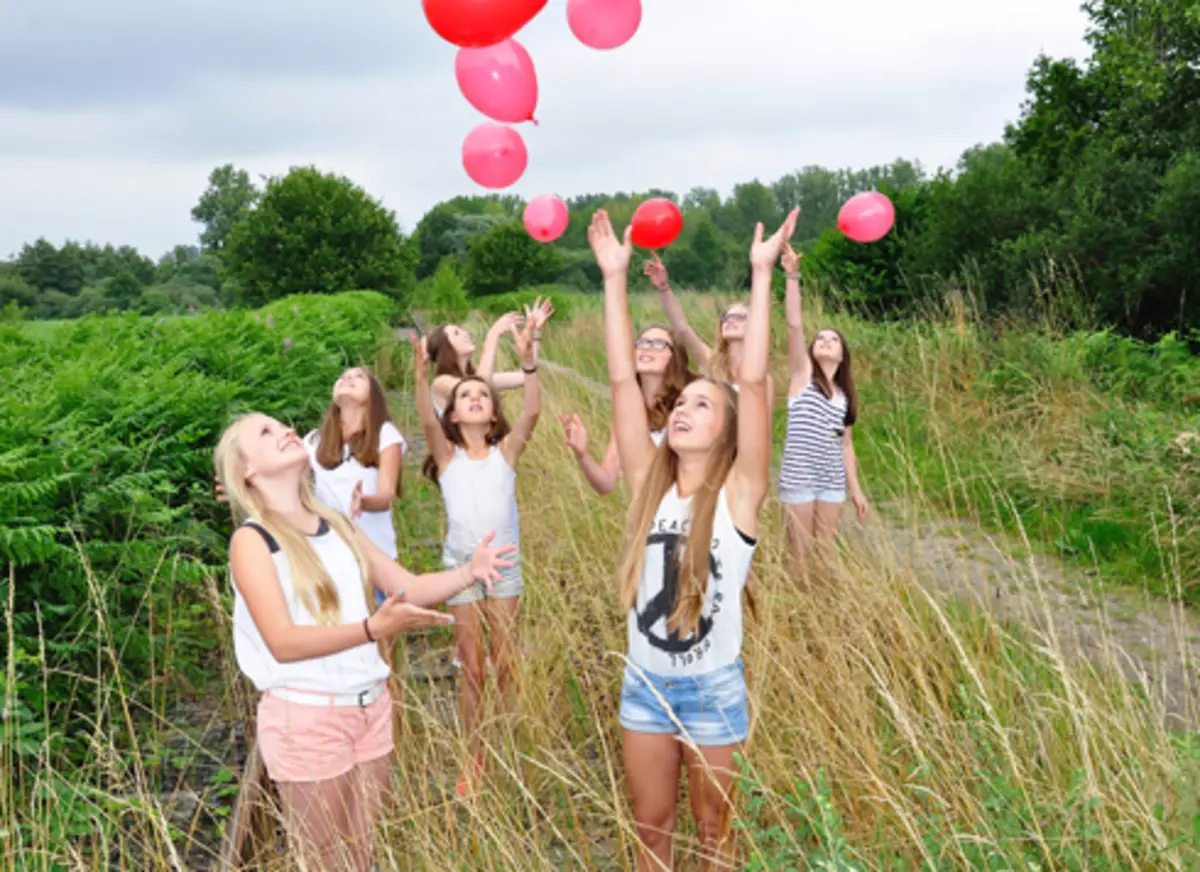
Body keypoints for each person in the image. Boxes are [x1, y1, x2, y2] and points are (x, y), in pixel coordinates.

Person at [590, 206, 799, 870]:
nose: (681, 408)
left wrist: (761, 276)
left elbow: (758, 382)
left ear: (730, 430)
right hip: (645, 686)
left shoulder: (740, 496)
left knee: (716, 835)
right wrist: (614, 282)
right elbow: (624, 381)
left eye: (702, 404)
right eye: (681, 404)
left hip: (712, 688)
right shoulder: (648, 491)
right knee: (651, 829)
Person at [214, 412, 514, 871]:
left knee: (361, 857)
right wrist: (372, 630)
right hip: (308, 718)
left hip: (371, 710)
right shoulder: (253, 541)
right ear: (246, 472)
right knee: (324, 863)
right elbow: (282, 641)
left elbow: (406, 586)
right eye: (266, 432)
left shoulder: (336, 524)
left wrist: (466, 572)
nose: (286, 430)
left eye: (283, 425)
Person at [414, 311, 542, 798]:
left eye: (482, 395)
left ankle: (508, 744)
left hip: (504, 569)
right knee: (471, 666)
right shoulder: (447, 459)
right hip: (461, 573)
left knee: (506, 661)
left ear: (492, 415)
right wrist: (422, 380)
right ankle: (475, 754)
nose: (473, 397)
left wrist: (528, 365)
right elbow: (426, 417)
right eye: (465, 394)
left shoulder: (505, 453)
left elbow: (531, 412)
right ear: (453, 414)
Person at [778, 243, 869, 569]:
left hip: (832, 481)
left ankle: (823, 611)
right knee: (799, 555)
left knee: (825, 553)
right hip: (799, 477)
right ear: (812, 350)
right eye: (820, 339)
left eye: (833, 340)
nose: (825, 342)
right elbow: (794, 325)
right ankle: (797, 616)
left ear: (843, 354)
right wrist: (793, 277)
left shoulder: (845, 397)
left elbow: (846, 446)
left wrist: (855, 490)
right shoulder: (802, 377)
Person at [303, 367, 407, 608]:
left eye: (359, 377)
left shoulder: (386, 434)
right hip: (329, 554)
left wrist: (365, 502)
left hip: (377, 556)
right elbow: (287, 481)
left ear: (373, 396)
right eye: (343, 376)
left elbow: (386, 495)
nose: (347, 378)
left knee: (383, 632)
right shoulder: (312, 441)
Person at [556, 324, 692, 496]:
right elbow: (605, 484)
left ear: (675, 357)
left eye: (657, 344)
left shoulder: (686, 406)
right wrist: (582, 454)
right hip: (646, 515)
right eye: (642, 343)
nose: (647, 349)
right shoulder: (626, 414)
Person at [644, 254, 776, 410]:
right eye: (726, 318)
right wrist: (663, 287)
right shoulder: (711, 363)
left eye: (739, 317)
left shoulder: (762, 376)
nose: (731, 320)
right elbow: (682, 328)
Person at [425, 298, 555, 418]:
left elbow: (527, 375)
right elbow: (478, 387)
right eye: (456, 333)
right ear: (446, 349)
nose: (465, 333)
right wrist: (493, 334)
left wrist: (535, 332)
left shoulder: (474, 377)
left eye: (461, 330)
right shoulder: (441, 383)